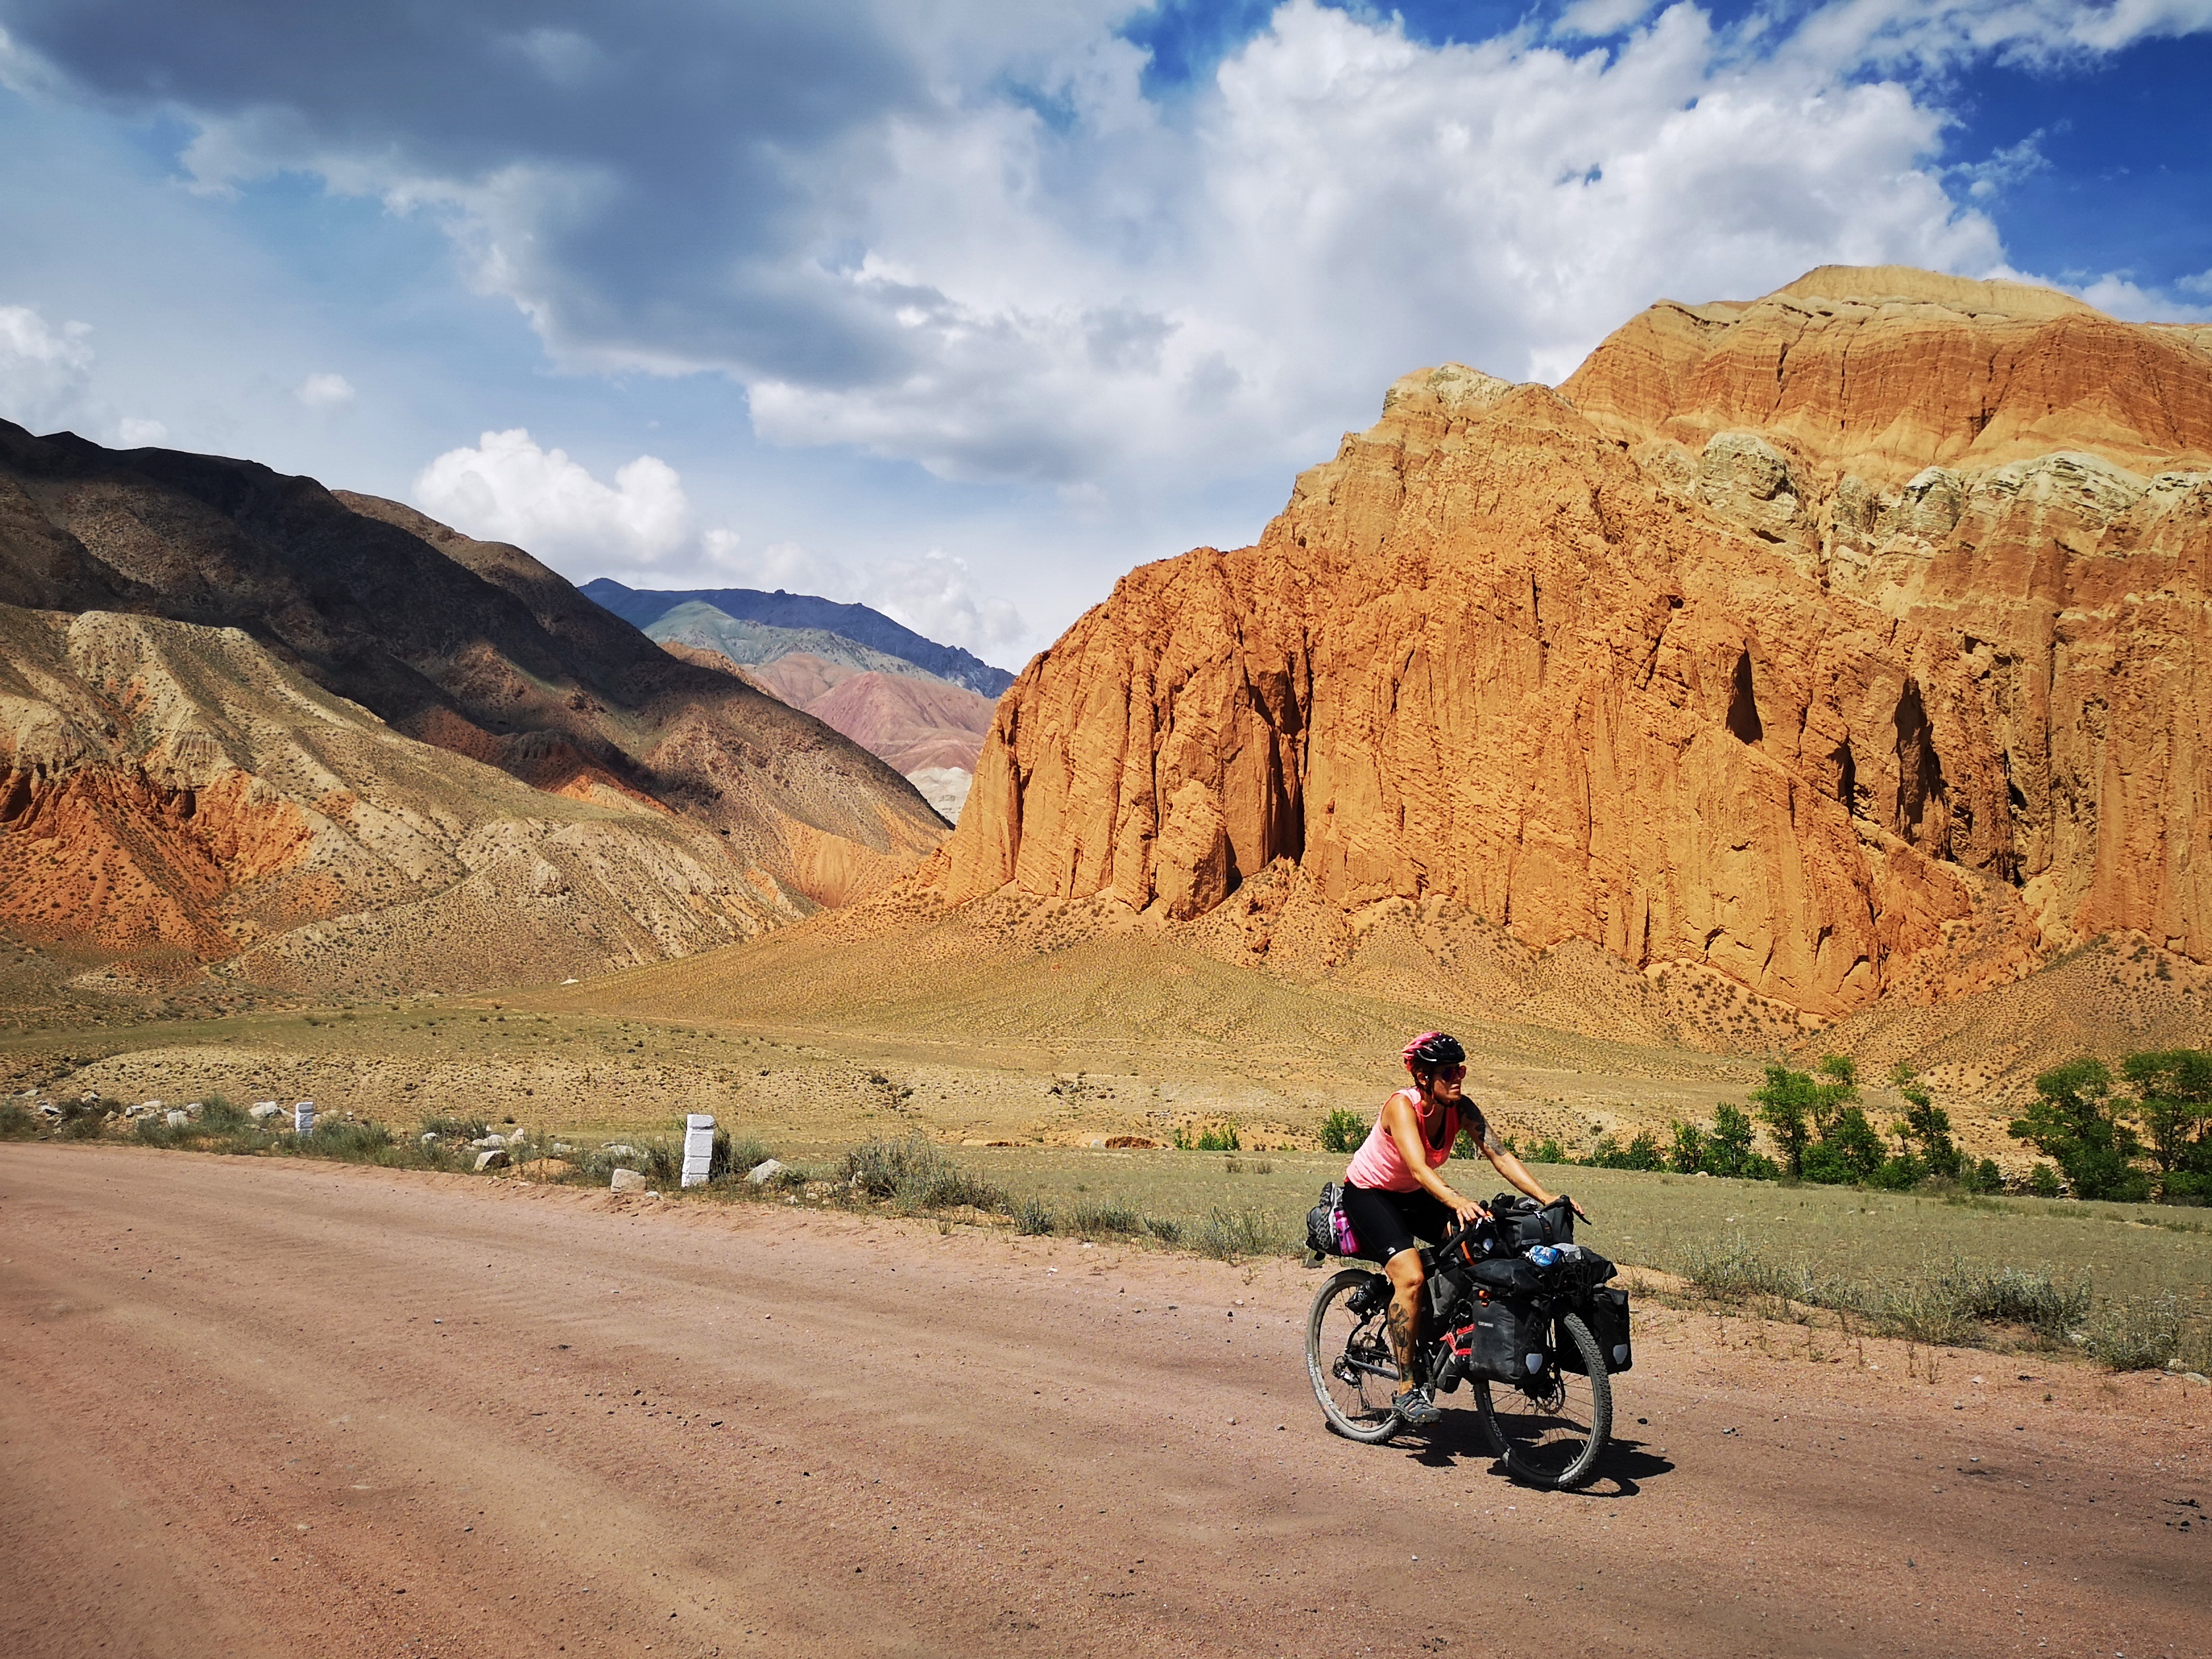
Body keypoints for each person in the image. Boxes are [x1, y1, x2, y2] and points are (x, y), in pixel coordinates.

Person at [1339, 1031, 1588, 1426]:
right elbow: (1420, 1168)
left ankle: (1443, 1337)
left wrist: (1547, 1197)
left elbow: (1500, 1155)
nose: (1458, 1078)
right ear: (1423, 1077)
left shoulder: (1461, 1109)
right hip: (1369, 1194)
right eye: (1449, 1071)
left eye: (1461, 1069)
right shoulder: (1401, 1108)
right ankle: (1406, 1389)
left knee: (1477, 1245)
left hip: (1413, 1193)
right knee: (1411, 1278)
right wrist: (1456, 1201)